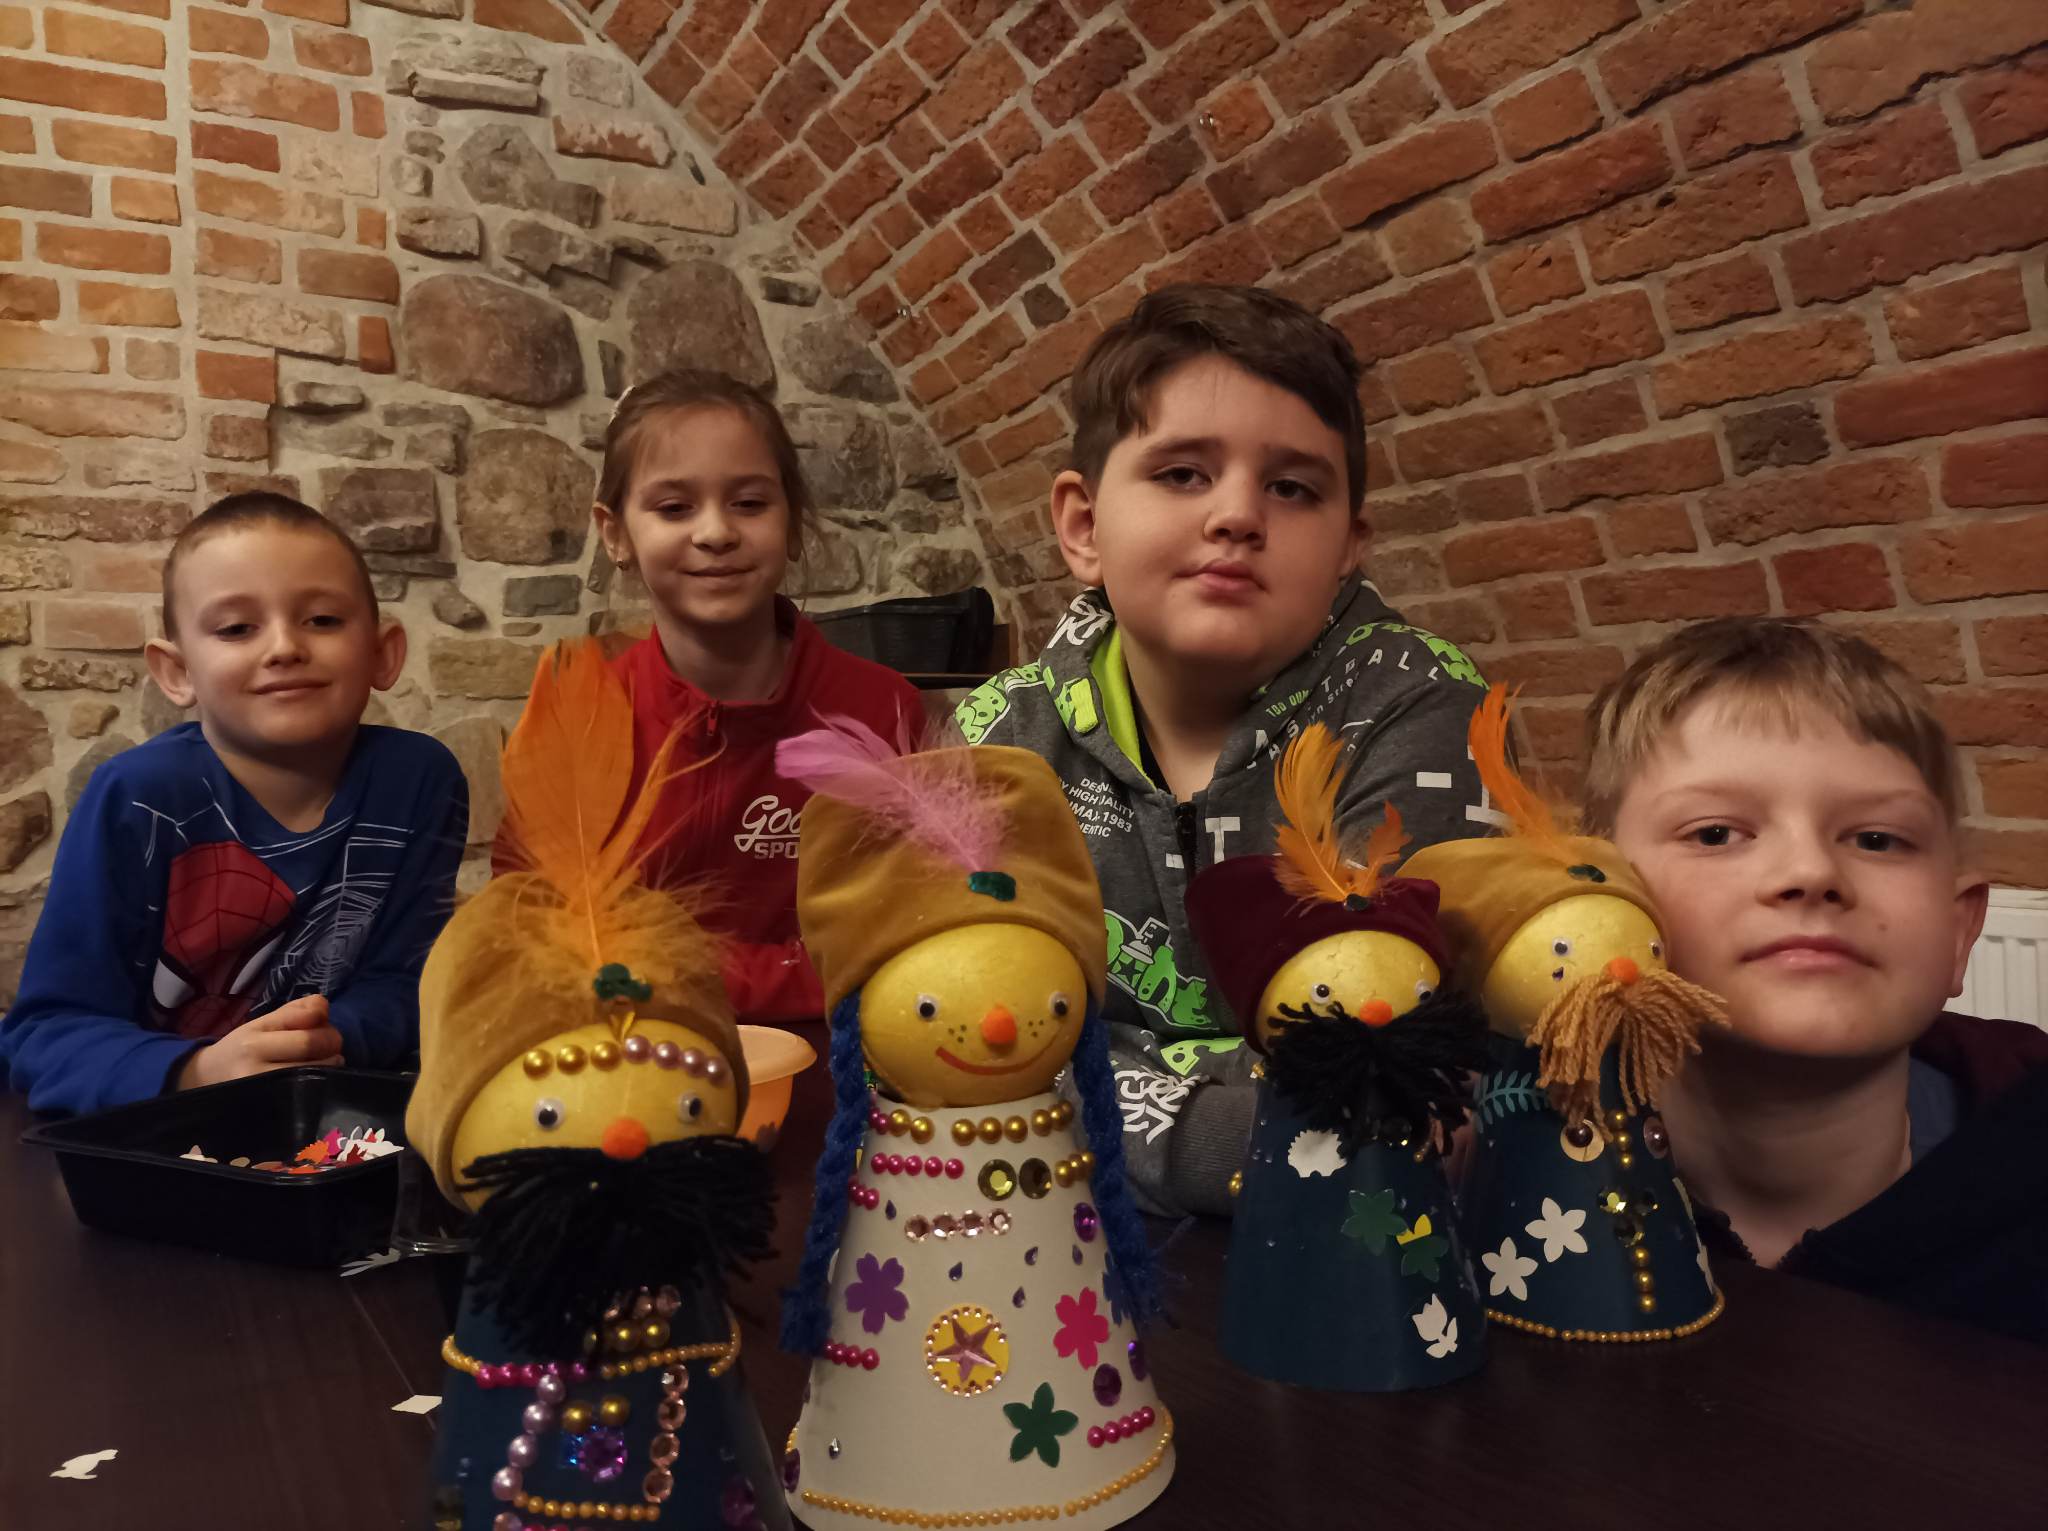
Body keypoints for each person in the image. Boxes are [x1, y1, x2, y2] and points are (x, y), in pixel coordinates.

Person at [955, 285, 1489, 1217]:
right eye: (1183, 474)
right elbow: (948, 1040)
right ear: (1083, 524)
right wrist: (1230, 1135)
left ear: (1349, 544)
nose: (1239, 514)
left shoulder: (1423, 707)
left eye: (1293, 488)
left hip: (1362, 1252)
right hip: (1044, 1241)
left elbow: (1392, 1077)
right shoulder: (997, 736)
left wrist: (1085, 1089)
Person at [1588, 617, 2048, 1342]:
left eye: (1877, 839)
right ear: (1592, 901)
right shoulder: (1485, 1170)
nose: (1809, 872)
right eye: (1715, 833)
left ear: (1959, 933)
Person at [0, 492, 467, 1115]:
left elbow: (410, 983)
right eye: (236, 628)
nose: (284, 647)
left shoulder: (420, 781)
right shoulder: (135, 798)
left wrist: (328, 1040)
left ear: (383, 654)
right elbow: (44, 1034)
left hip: (331, 1119)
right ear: (177, 673)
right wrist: (198, 1070)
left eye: (323, 619)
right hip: (152, 1132)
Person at [516, 369, 922, 1025]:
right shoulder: (578, 713)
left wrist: (688, 974)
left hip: (840, 1071)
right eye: (674, 508)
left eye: (750, 503)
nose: (715, 532)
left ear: (792, 522)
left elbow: (906, 932)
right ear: (615, 533)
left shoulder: (882, 708)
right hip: (631, 1065)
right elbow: (538, 929)